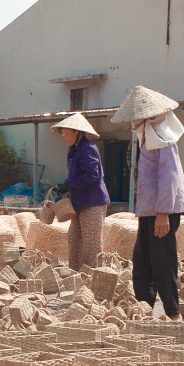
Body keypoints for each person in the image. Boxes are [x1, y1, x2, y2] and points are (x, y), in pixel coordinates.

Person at [111, 85, 184, 321]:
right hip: (149, 211)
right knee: (142, 260)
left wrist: (163, 214)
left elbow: (169, 178)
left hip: (162, 212)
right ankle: (143, 309)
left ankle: (173, 313)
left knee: (162, 261)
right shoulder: (148, 140)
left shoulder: (164, 140)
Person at [50, 113, 110, 271]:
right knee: (74, 241)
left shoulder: (87, 149)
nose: (64, 137)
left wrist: (69, 184)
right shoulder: (74, 149)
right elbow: (76, 175)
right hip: (79, 202)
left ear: (77, 132)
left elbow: (92, 175)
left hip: (92, 202)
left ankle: (89, 280)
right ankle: (75, 276)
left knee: (90, 244)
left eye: (67, 134)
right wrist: (64, 186)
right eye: (63, 134)